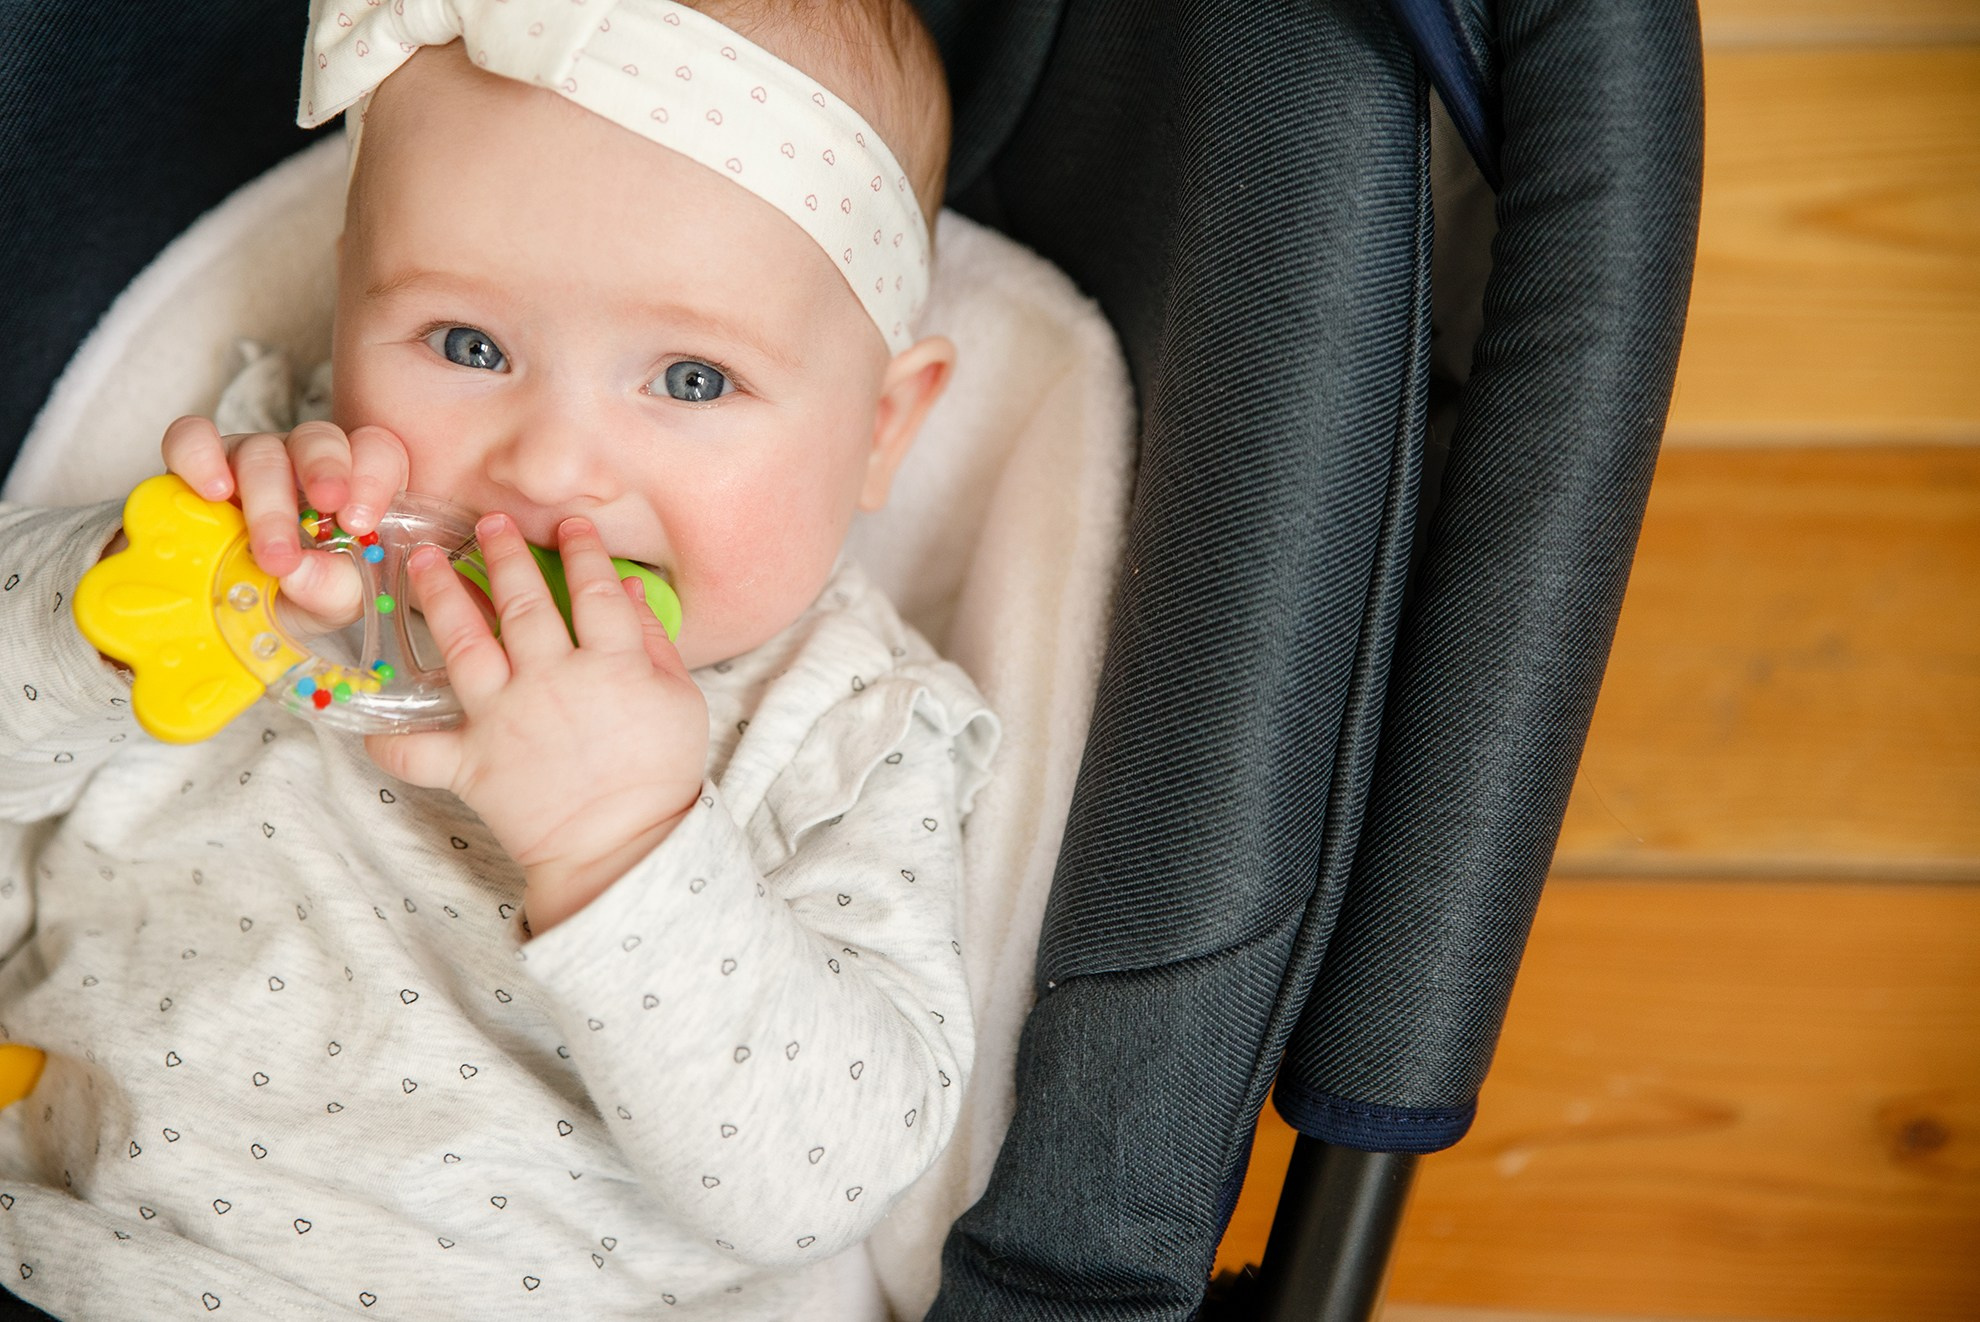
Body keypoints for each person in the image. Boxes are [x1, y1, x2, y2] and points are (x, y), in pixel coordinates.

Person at [0, 1, 998, 1316]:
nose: (549, 465)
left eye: (691, 379)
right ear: (347, 297)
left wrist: (624, 842)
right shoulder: (275, 528)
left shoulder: (849, 727)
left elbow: (831, 1171)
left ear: (880, 425)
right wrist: (123, 606)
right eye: (469, 347)